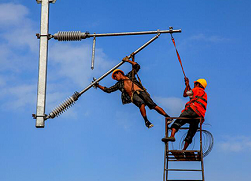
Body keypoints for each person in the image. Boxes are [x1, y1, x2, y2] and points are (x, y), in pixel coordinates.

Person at [95, 56, 170, 128]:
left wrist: (128, 61)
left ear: (119, 73)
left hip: (141, 92)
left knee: (153, 105)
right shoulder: (119, 84)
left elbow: (137, 66)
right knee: (141, 103)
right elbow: (108, 90)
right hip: (133, 96)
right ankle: (146, 121)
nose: (115, 78)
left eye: (115, 76)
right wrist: (98, 85)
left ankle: (167, 117)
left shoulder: (130, 75)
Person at [163, 77, 207, 150]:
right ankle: (184, 149)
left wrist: (186, 86)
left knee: (178, 121)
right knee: (191, 132)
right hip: (199, 115)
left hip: (191, 110)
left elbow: (185, 94)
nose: (194, 85)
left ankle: (172, 136)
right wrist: (187, 84)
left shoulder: (196, 89)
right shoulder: (204, 93)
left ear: (198, 84)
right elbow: (191, 95)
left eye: (195, 84)